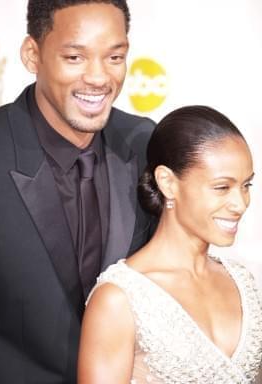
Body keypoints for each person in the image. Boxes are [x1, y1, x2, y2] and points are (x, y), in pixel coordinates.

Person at [0, 1, 155, 383]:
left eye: (114, 57)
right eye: (75, 57)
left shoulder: (145, 144)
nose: (99, 78)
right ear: (32, 55)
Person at [78, 105, 262, 383]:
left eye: (246, 186)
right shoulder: (119, 300)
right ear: (168, 183)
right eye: (222, 187)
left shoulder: (242, 283)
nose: (240, 204)